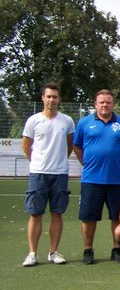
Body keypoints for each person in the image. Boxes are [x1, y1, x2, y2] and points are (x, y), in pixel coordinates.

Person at [73, 89, 120, 264]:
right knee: (89, 217)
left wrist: (117, 159)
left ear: (113, 104)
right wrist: (87, 162)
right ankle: (88, 250)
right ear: (95, 104)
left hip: (118, 180)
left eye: (108, 102)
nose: (105, 105)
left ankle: (117, 249)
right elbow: (77, 145)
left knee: (117, 217)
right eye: (101, 102)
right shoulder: (84, 123)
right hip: (91, 180)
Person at [21, 83, 75, 267]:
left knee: (57, 214)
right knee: (35, 214)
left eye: (55, 97)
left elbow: (69, 146)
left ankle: (53, 252)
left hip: (60, 173)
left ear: (59, 99)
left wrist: (58, 162)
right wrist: (37, 163)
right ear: (43, 98)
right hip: (38, 174)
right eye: (48, 96)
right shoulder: (33, 121)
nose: (52, 100)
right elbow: (26, 146)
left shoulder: (67, 121)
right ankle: (32, 253)